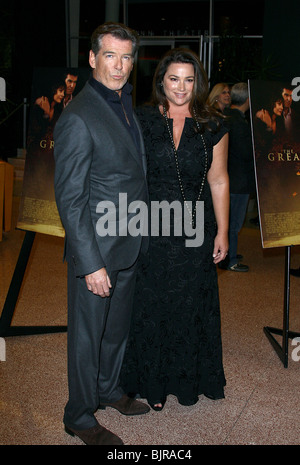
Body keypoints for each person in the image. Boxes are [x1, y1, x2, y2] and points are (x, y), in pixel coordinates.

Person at [54, 22, 150, 446]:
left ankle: (109, 390)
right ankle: (78, 414)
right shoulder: (78, 115)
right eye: (110, 55)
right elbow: (70, 199)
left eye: (127, 57)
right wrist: (90, 262)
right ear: (92, 58)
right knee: (88, 336)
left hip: (128, 240)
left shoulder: (124, 103)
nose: (119, 66)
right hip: (97, 249)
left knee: (116, 329)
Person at [120, 48, 229, 410]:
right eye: (173, 79)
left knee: (188, 306)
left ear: (197, 82)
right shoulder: (143, 118)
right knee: (150, 305)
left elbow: (218, 180)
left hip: (196, 230)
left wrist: (224, 231)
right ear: (161, 81)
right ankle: (151, 384)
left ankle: (184, 382)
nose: (181, 87)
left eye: (189, 79)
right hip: (151, 227)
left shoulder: (213, 124)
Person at [218, 83, 256, 272]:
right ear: (248, 100)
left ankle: (230, 252)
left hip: (230, 179)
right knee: (233, 224)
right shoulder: (239, 123)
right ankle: (230, 259)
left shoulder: (228, 117)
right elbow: (247, 154)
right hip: (238, 182)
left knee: (230, 222)